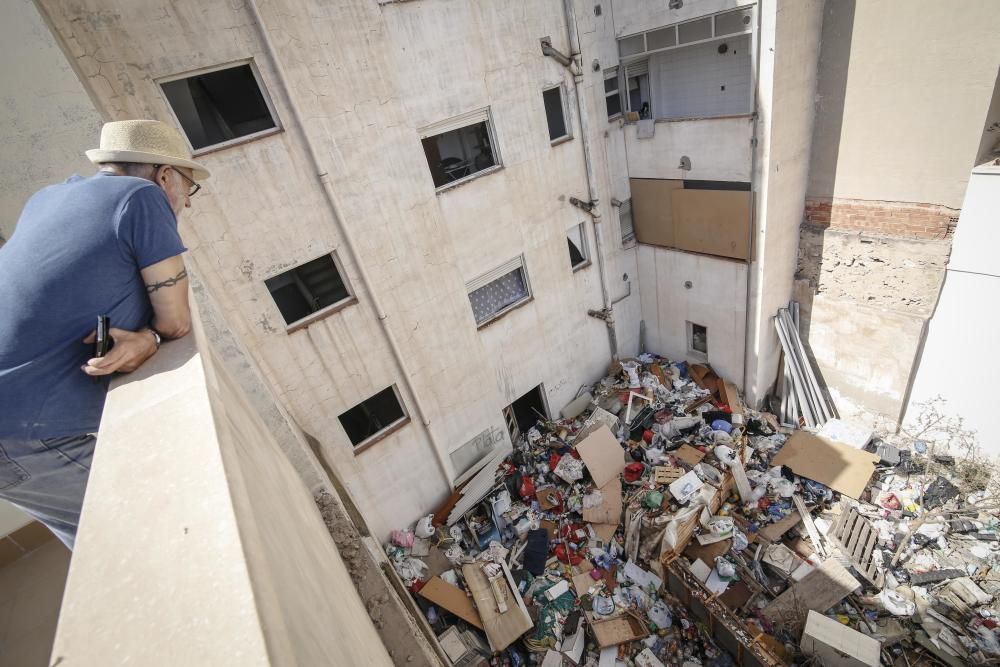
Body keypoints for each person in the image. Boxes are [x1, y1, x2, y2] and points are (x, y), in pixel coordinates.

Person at [0, 119, 210, 549]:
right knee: (151, 538)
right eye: (189, 189)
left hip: (17, 430)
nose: (186, 205)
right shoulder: (143, 198)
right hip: (25, 431)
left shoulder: (47, 197)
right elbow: (176, 322)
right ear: (165, 175)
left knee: (97, 555)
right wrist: (151, 339)